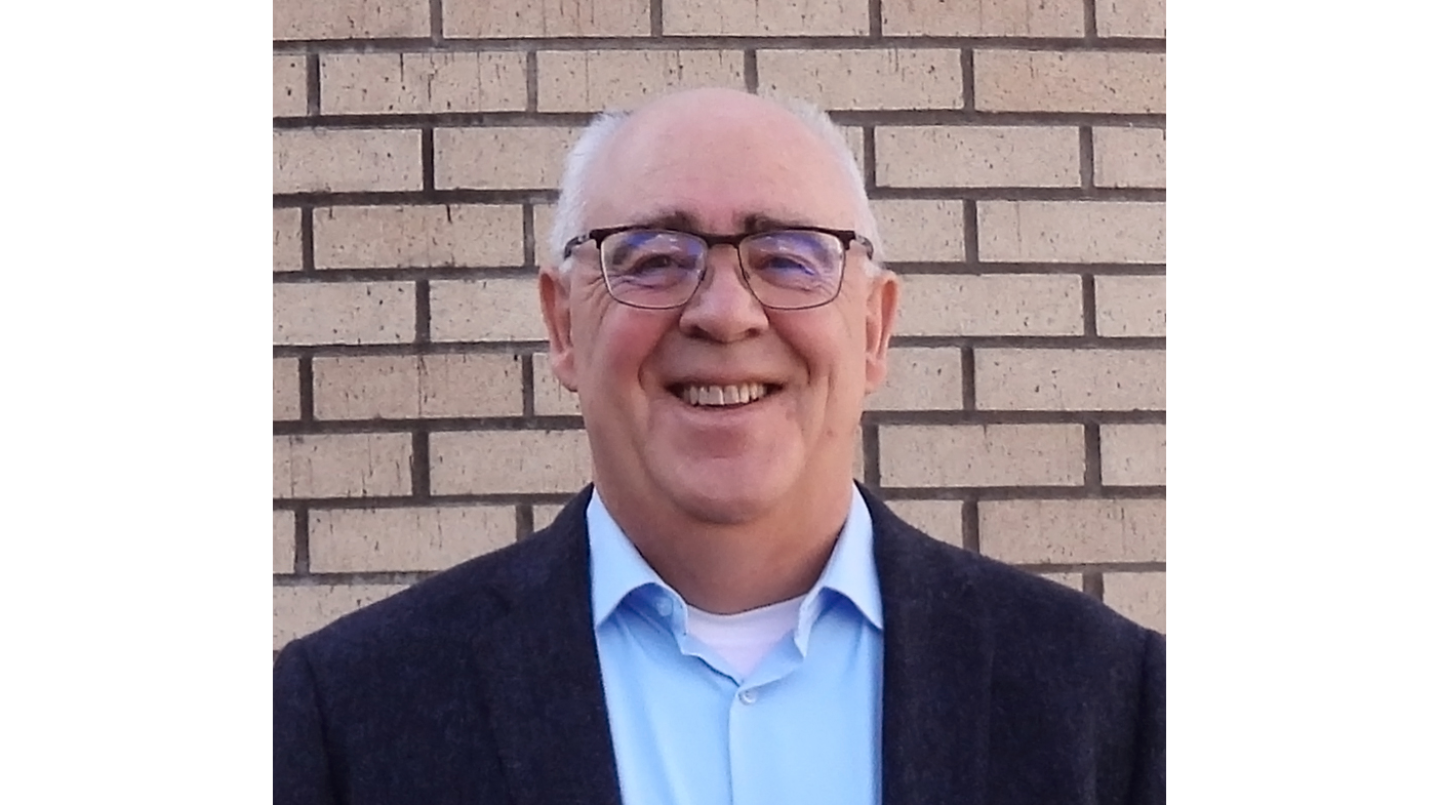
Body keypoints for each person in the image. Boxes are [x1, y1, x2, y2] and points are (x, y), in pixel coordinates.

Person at [273, 88, 1165, 805]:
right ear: (562, 325)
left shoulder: (1117, 703)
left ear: (873, 330)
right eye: (655, 257)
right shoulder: (340, 714)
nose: (725, 311)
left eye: (788, 256)